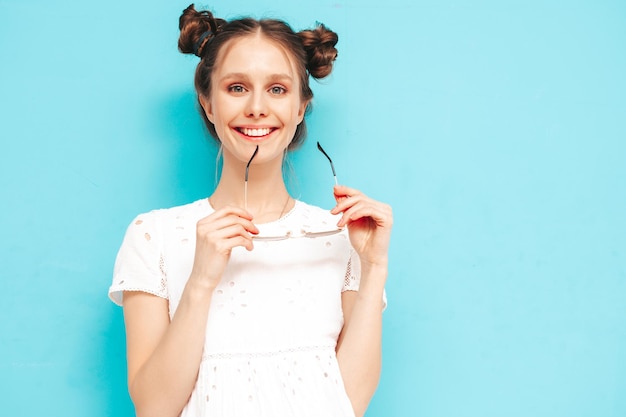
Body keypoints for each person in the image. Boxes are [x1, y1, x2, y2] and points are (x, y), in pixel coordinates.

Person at [108, 4, 393, 417]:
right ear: (208, 103)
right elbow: (153, 408)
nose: (257, 107)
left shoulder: (342, 234)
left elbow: (351, 402)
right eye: (236, 87)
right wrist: (201, 281)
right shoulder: (154, 236)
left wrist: (375, 266)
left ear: (299, 107)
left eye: (277, 89)